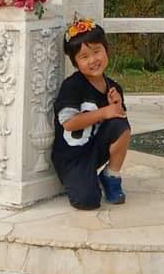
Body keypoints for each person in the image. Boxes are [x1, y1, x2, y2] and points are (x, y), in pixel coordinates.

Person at [52, 17, 131, 209]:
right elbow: (69, 122)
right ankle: (85, 179)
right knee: (87, 202)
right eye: (84, 57)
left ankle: (111, 175)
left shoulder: (113, 87)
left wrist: (117, 105)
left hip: (95, 149)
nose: (93, 60)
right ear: (75, 62)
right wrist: (105, 112)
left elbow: (119, 120)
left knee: (121, 126)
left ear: (106, 50)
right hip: (73, 157)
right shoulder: (73, 86)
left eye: (97, 51)